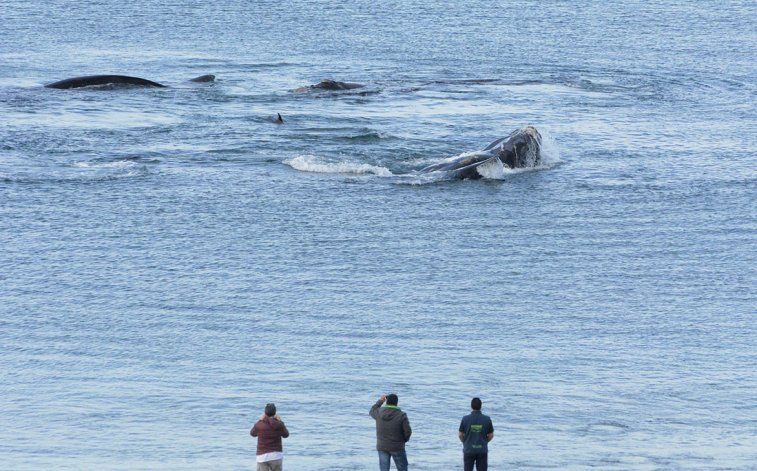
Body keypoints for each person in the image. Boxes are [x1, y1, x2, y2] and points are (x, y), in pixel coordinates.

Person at [370, 393, 412, 471]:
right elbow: (408, 431)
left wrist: (381, 401)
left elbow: (372, 410)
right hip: (397, 446)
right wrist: (403, 440)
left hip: (382, 446)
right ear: (396, 403)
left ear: (386, 402)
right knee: (402, 469)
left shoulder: (379, 412)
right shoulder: (401, 415)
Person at [250, 403, 290, 471]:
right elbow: (286, 435)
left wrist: (260, 420)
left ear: (265, 413)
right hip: (276, 455)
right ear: (275, 413)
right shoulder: (279, 424)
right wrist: (280, 421)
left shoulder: (259, 424)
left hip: (262, 456)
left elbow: (252, 433)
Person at [458, 397, 494, 471]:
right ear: (481, 406)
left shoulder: (465, 419)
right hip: (482, 450)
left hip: (469, 449)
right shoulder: (487, 419)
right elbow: (491, 435)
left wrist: (465, 442)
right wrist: (485, 441)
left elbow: (460, 435)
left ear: (471, 406)